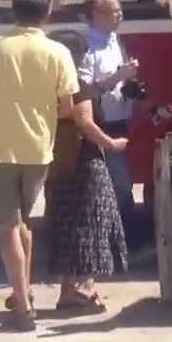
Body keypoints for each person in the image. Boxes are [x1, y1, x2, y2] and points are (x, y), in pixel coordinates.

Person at [0, 0, 79, 332]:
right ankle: (23, 291)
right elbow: (67, 106)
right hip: (39, 147)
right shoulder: (57, 51)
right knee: (23, 222)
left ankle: (23, 305)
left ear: (13, 11)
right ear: (47, 14)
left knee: (7, 228)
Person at [44, 29, 130, 314]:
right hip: (84, 159)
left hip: (55, 159)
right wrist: (111, 143)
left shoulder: (42, 83)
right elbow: (84, 122)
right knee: (92, 222)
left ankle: (69, 291)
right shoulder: (75, 81)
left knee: (65, 223)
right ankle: (85, 288)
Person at [78, 0, 143, 247]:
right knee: (120, 187)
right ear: (95, 16)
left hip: (121, 120)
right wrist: (117, 78)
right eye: (113, 11)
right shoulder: (86, 47)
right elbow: (84, 91)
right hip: (100, 126)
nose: (120, 15)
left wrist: (129, 82)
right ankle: (121, 243)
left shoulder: (116, 41)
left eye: (120, 10)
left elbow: (119, 81)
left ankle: (119, 242)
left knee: (119, 186)